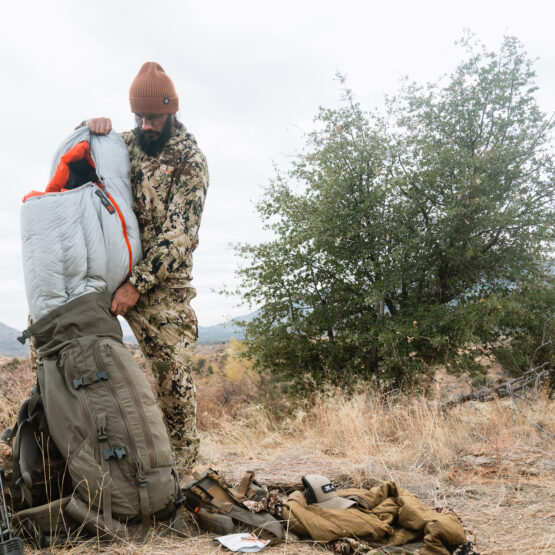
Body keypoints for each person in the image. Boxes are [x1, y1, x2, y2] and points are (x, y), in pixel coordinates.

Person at [87, 62, 209, 471]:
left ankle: (183, 472)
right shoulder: (126, 143)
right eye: (138, 117)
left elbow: (180, 236)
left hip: (162, 285)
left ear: (171, 110)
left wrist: (136, 285)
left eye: (153, 117)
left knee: (172, 374)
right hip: (113, 272)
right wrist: (90, 126)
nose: (145, 125)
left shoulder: (191, 160)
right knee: (58, 333)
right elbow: (85, 149)